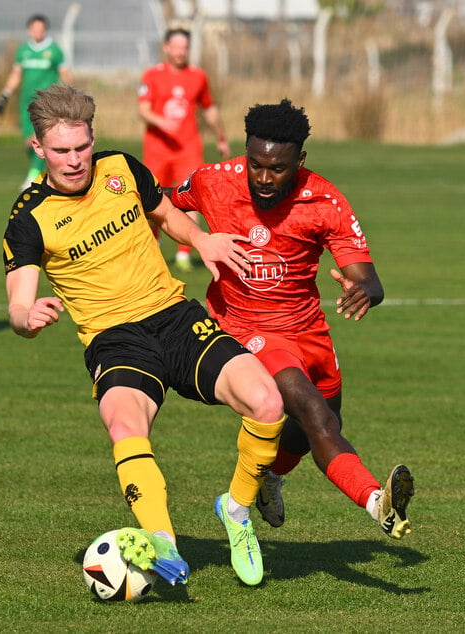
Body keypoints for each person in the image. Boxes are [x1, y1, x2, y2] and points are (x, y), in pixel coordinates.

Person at [1, 83, 285, 587]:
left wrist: (200, 238)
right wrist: (28, 317)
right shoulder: (29, 218)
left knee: (266, 401)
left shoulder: (121, 168)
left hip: (174, 317)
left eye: (82, 146)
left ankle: (238, 512)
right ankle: (163, 544)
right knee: (124, 424)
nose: (74, 160)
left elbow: (166, 214)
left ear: (93, 138)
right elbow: (18, 305)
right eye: (61, 151)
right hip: (114, 338)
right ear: (38, 148)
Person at [170, 99, 415, 540]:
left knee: (314, 431)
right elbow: (161, 205)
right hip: (247, 329)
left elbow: (369, 279)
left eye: (277, 168)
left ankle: (268, 478)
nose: (264, 178)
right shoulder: (213, 181)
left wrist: (365, 292)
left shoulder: (324, 199)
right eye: (256, 164)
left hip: (307, 329)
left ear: (299, 161)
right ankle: (378, 502)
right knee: (314, 414)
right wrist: (198, 238)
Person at [138, 27, 230, 273]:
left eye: (184, 48)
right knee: (151, 199)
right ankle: (153, 246)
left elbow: (209, 109)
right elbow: (143, 110)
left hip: (188, 149)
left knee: (191, 197)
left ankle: (184, 253)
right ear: (166, 48)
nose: (180, 52)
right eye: (176, 47)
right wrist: (161, 122)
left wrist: (221, 137)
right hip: (157, 149)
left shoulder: (198, 76)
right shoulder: (151, 76)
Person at [0, 14, 72, 187]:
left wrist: (70, 95)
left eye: (41, 28)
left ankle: (33, 176)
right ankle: (47, 173)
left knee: (41, 139)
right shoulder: (23, 51)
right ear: (30, 30)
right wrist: (5, 95)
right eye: (35, 28)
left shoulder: (54, 51)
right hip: (26, 103)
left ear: (45, 30)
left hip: (47, 103)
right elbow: (16, 74)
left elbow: (65, 74)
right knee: (29, 143)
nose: (38, 31)